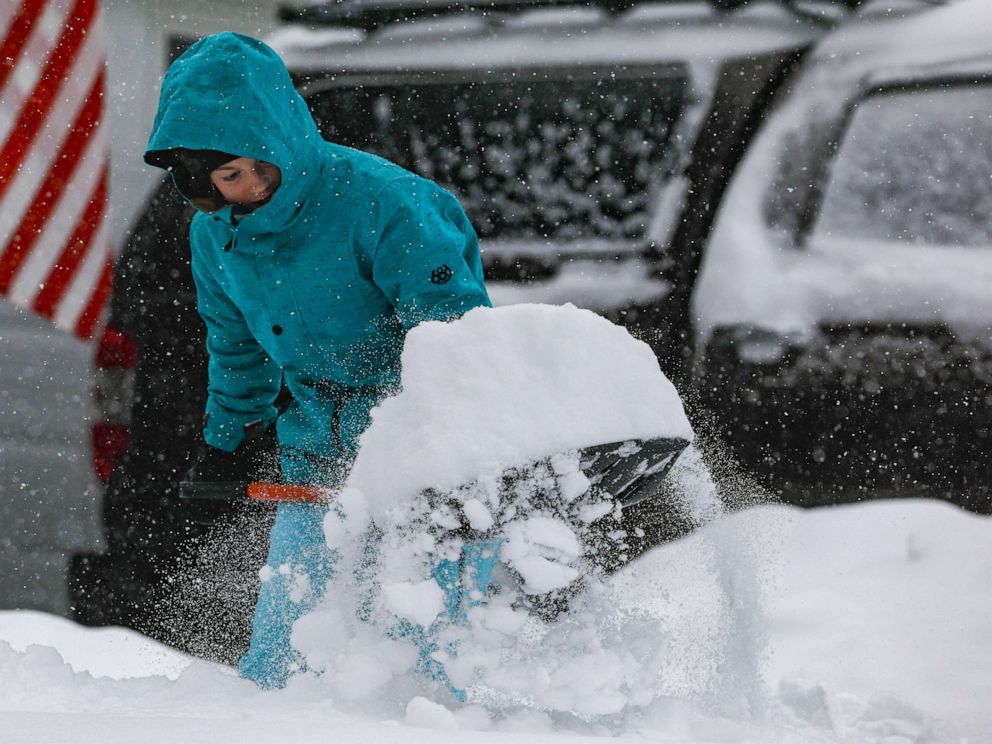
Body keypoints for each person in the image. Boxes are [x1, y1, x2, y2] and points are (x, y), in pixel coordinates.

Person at [143, 32, 491, 689]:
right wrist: (229, 440)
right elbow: (235, 344)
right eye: (218, 183)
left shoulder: (386, 205)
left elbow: (455, 338)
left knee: (424, 662)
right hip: (315, 454)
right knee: (283, 660)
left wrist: (435, 454)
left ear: (278, 136)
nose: (242, 193)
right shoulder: (215, 235)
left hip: (425, 462)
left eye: (245, 170)